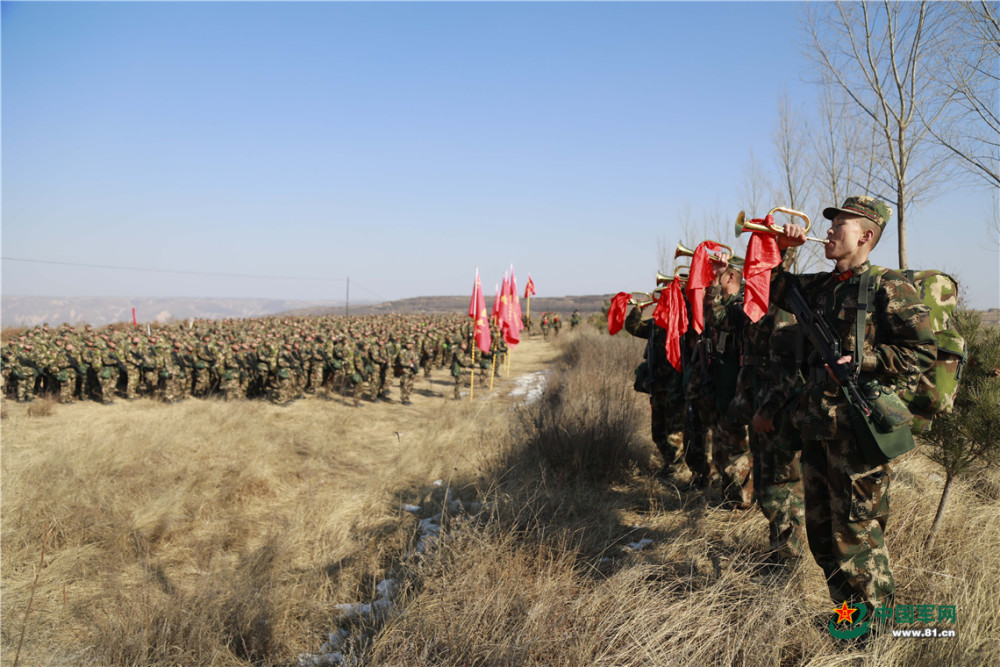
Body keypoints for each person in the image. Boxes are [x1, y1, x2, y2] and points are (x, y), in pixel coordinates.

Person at [770, 196, 935, 613]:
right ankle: (852, 623)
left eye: (838, 225)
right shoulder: (821, 287)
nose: (828, 231)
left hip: (858, 434)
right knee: (823, 541)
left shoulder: (888, 285)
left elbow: (921, 353)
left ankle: (879, 638)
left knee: (857, 541)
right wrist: (782, 250)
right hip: (817, 430)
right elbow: (773, 290)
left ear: (864, 236)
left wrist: (868, 360)